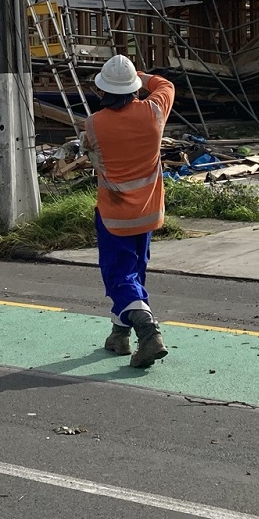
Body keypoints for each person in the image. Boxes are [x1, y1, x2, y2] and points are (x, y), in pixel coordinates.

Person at [81, 54, 175, 367]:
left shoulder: (95, 124)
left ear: (103, 91)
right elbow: (165, 85)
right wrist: (140, 74)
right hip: (148, 212)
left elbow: (89, 146)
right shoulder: (154, 112)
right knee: (134, 273)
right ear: (134, 88)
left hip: (114, 215)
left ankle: (148, 332)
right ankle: (119, 335)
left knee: (118, 277)